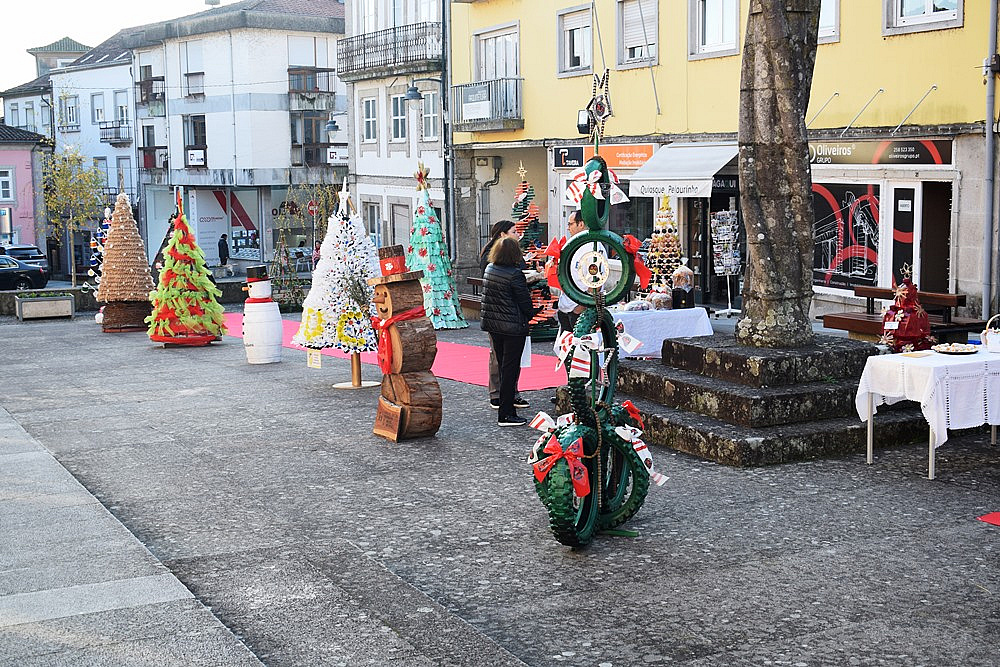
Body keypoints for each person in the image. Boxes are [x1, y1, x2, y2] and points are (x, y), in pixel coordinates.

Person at [481, 237, 538, 426]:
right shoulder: (515, 274)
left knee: (503, 367)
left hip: (494, 325)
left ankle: (506, 410)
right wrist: (533, 313)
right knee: (510, 370)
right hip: (513, 327)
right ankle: (506, 413)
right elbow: (525, 303)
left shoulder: (490, 269)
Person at [480, 220, 528, 411]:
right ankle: (500, 398)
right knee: (503, 361)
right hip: (507, 318)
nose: (518, 235)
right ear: (502, 234)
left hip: (497, 318)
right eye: (514, 231)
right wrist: (529, 313)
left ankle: (508, 397)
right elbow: (521, 298)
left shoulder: (498, 265)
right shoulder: (494, 261)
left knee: (507, 362)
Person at [556, 210, 586, 333]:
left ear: (581, 224)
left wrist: (581, 307)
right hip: (565, 306)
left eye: (570, 224)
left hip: (577, 309)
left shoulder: (592, 246)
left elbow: (596, 282)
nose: (568, 228)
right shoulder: (573, 244)